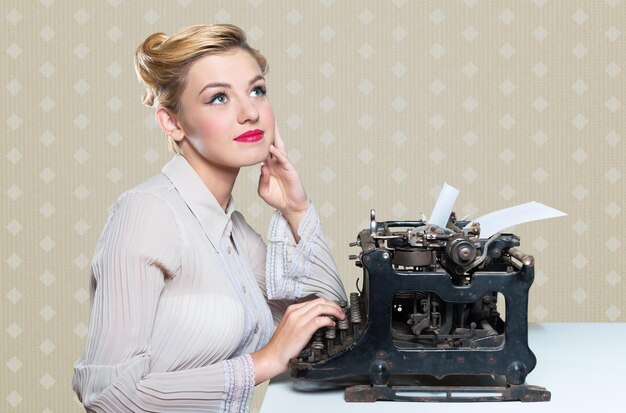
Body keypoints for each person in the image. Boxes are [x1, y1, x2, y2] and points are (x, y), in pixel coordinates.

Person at [72, 24, 347, 412]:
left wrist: (296, 209)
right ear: (172, 122)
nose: (250, 112)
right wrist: (263, 361)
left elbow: (329, 324)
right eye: (219, 97)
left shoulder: (232, 232)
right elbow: (108, 396)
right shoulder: (147, 213)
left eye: (257, 90)